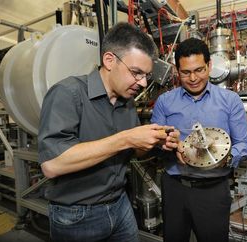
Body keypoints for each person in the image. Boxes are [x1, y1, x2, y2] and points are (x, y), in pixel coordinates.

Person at [38, 22, 180, 242]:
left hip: (120, 204)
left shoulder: (128, 103)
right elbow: (52, 164)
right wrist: (126, 138)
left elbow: (134, 152)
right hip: (77, 215)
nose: (142, 83)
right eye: (136, 73)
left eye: (146, 76)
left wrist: (156, 141)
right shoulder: (68, 93)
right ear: (109, 60)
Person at [151, 37, 247, 242]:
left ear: (209, 65)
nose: (193, 78)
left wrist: (222, 157)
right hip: (175, 188)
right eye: (186, 72)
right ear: (177, 71)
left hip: (213, 190)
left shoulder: (230, 100)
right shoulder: (165, 102)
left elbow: (243, 144)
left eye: (199, 70)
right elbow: (154, 143)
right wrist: (168, 146)